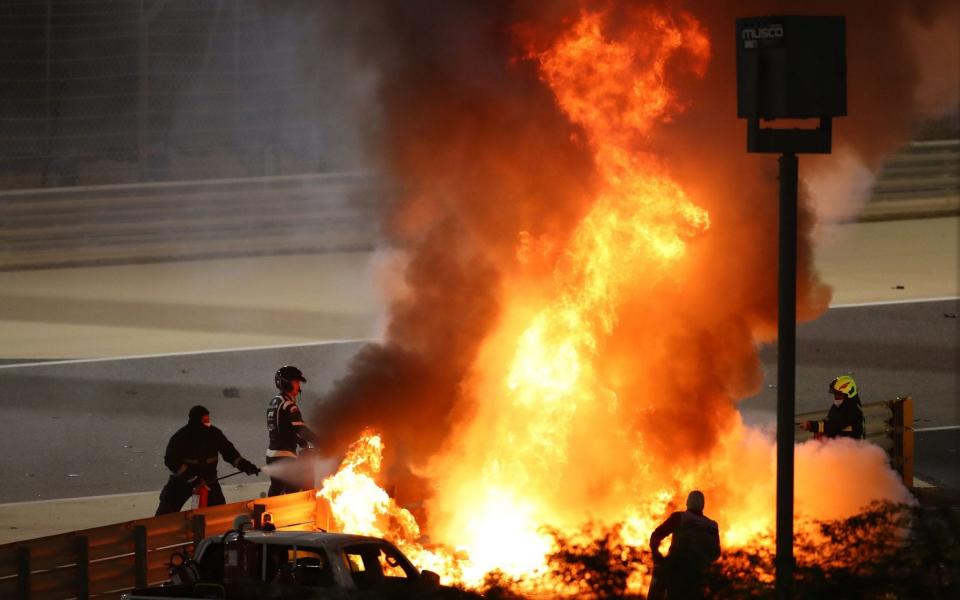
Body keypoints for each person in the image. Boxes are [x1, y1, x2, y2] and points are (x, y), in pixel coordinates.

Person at [155, 405, 260, 515]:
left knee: (219, 514)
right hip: (183, 481)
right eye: (205, 421)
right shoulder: (181, 437)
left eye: (208, 420)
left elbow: (230, 454)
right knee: (165, 512)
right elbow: (170, 460)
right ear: (195, 422)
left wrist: (246, 466)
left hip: (208, 481)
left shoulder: (214, 434)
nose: (208, 423)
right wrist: (190, 477)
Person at [648, 490, 721, 600]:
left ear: (687, 503)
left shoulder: (680, 517)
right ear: (703, 505)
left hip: (676, 569)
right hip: (700, 575)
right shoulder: (712, 525)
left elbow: (656, 535)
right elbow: (716, 553)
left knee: (658, 577)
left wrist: (656, 554)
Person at [266, 365, 318, 496]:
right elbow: (300, 428)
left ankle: (268, 513)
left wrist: (300, 442)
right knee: (295, 490)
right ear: (286, 383)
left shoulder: (275, 402)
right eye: (295, 382)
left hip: (272, 455)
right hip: (285, 456)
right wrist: (321, 442)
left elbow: (282, 429)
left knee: (276, 490)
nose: (298, 385)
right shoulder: (288, 404)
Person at [803, 375, 865, 439]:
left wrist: (812, 425)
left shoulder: (852, 409)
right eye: (835, 394)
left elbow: (834, 425)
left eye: (838, 394)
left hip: (850, 446)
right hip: (840, 443)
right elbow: (829, 420)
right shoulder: (841, 403)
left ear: (849, 393)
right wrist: (818, 428)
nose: (836, 397)